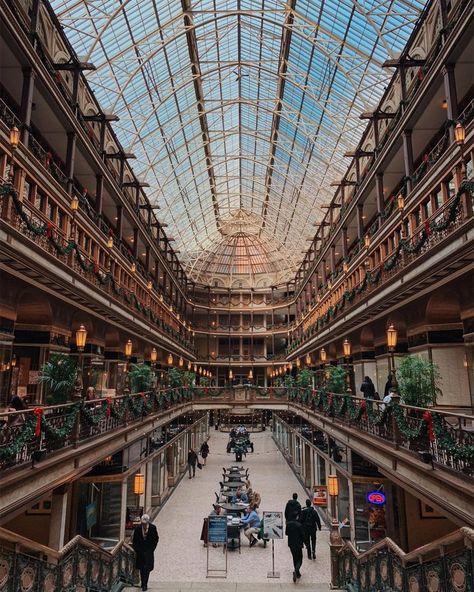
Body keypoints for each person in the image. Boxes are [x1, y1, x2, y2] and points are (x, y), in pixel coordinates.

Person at [132, 514, 159, 592]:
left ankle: (145, 584)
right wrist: (137, 550)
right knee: (142, 568)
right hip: (140, 552)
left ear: (147, 522)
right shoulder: (137, 529)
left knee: (147, 568)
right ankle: (143, 583)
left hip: (148, 551)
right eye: (142, 523)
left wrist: (152, 549)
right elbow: (135, 541)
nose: (143, 525)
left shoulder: (153, 528)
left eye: (144, 523)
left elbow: (156, 539)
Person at [286, 517, 305, 582]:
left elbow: (286, 533)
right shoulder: (299, 525)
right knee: (300, 559)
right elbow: (303, 535)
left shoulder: (288, 524)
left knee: (294, 557)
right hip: (298, 544)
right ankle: (296, 570)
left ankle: (297, 573)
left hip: (291, 544)